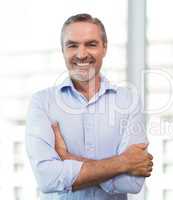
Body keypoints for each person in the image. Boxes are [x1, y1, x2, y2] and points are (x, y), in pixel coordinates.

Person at [25, 13, 153, 200]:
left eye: (91, 44)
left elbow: (132, 183)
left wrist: (69, 158)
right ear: (63, 50)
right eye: (72, 45)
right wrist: (124, 163)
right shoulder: (42, 103)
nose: (81, 54)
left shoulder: (128, 101)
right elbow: (47, 178)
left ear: (104, 48)